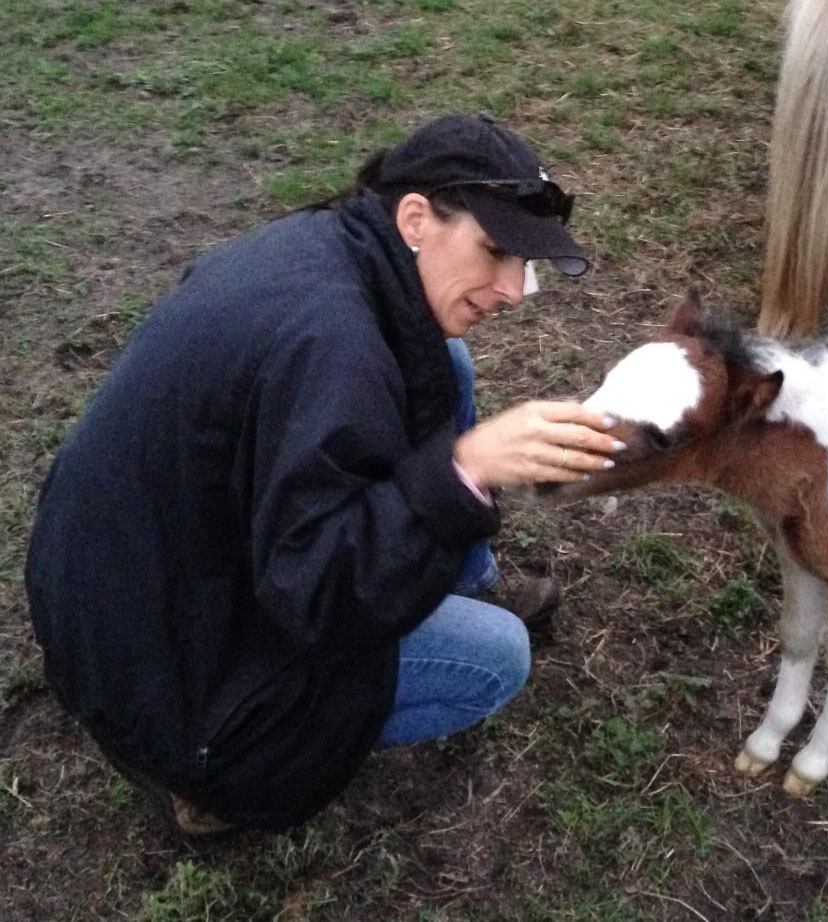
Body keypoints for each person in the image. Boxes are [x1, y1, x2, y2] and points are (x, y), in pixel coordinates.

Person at [25, 113, 619, 835]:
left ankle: (465, 578)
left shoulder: (329, 248)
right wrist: (464, 471)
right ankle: (206, 786)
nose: (514, 288)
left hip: (127, 584)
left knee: (447, 364)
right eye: (496, 250)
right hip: (176, 678)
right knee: (498, 660)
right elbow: (315, 594)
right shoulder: (336, 349)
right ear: (415, 218)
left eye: (522, 263)